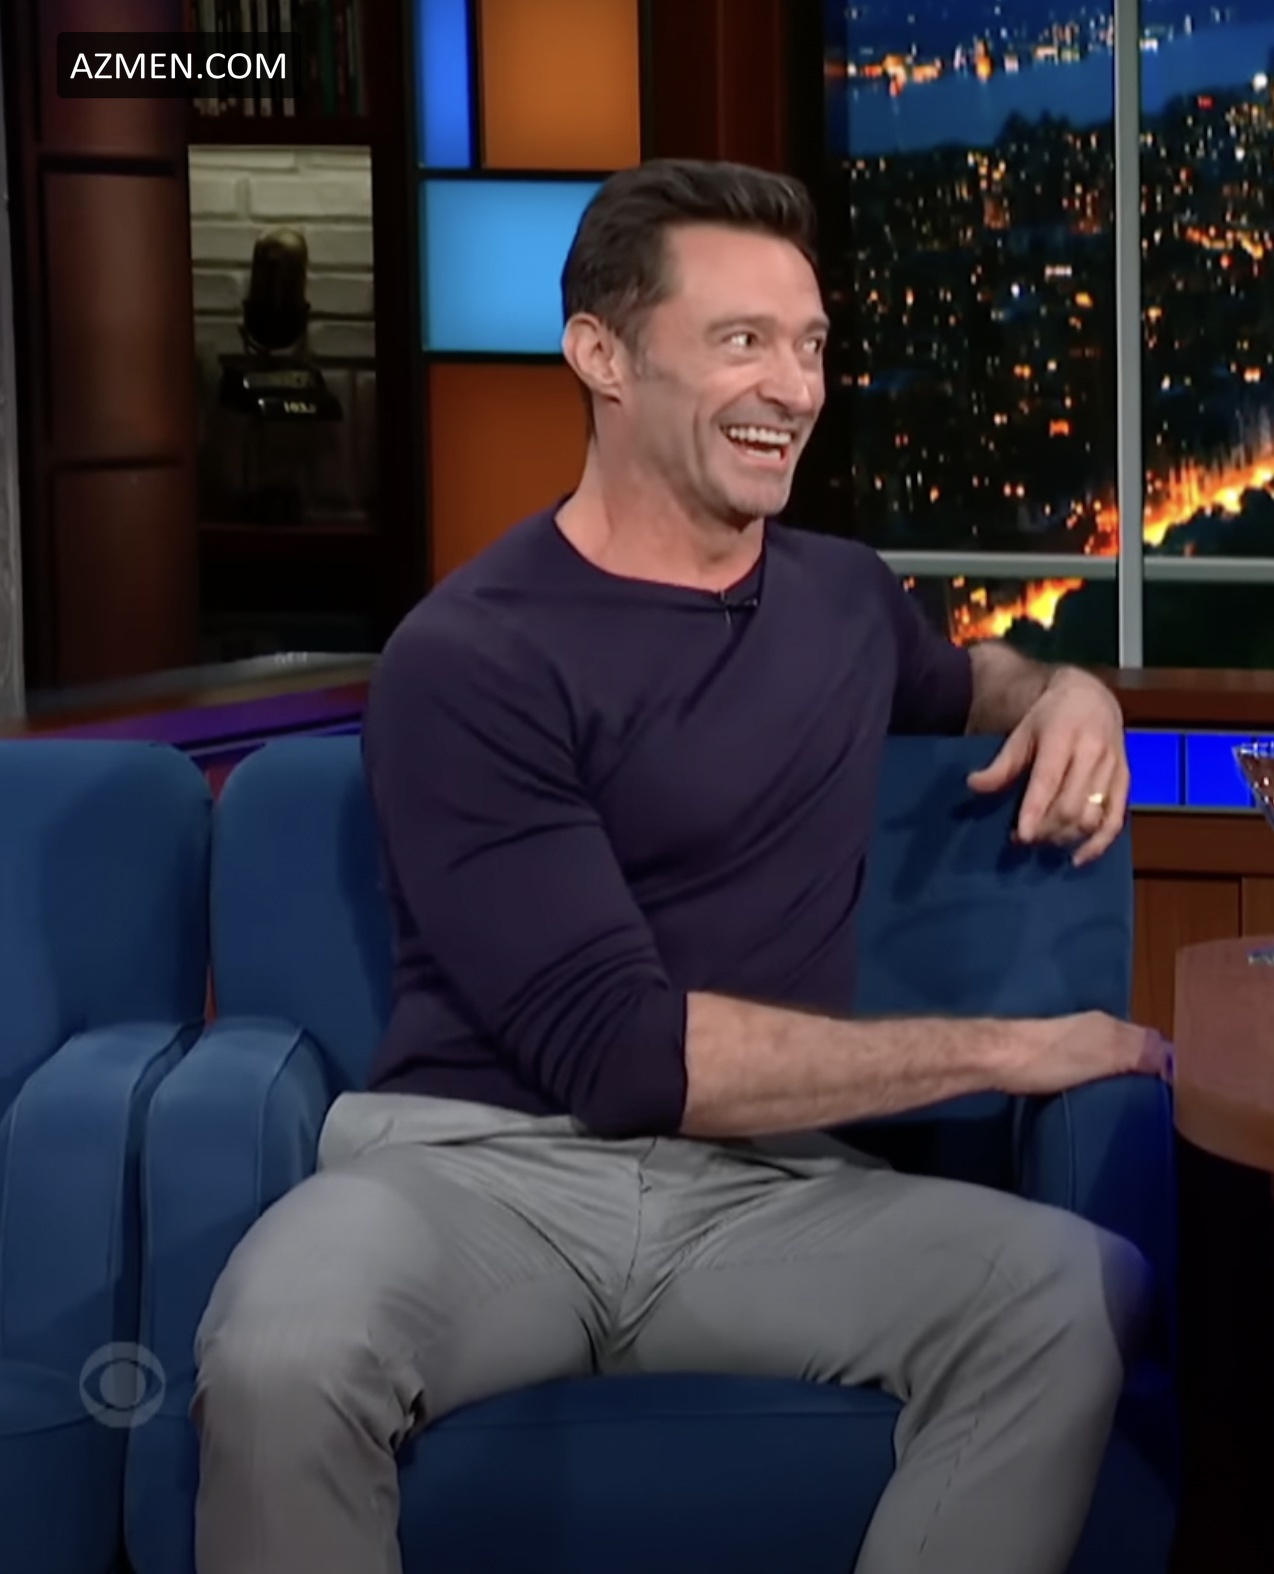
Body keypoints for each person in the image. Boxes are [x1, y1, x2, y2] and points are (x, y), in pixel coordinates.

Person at [191, 159, 1172, 1574]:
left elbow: (967, 681)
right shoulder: (471, 655)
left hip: (766, 1197)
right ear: (601, 354)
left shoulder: (842, 599)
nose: (794, 386)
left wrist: (1066, 691)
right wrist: (1012, 1048)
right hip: (479, 1178)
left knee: (1072, 1292)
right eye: (741, 341)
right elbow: (628, 1058)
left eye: (810, 344)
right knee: (283, 1350)